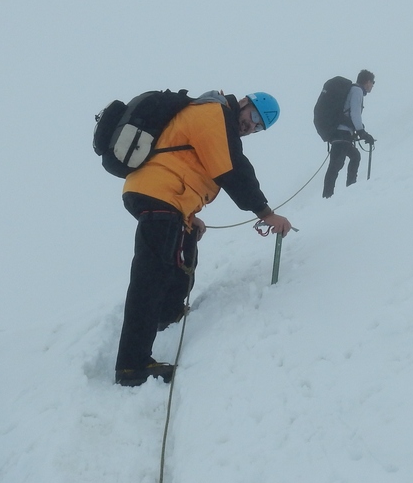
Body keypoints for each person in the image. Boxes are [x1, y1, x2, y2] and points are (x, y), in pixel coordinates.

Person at [115, 90, 292, 386]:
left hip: (165, 195)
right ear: (244, 103)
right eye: (253, 116)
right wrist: (266, 213)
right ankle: (132, 366)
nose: (251, 126)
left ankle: (168, 312)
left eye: (259, 127)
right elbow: (233, 169)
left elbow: (187, 163)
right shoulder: (214, 113)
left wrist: (189, 216)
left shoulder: (217, 120)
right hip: (160, 193)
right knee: (150, 278)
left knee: (184, 249)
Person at [322, 70, 375, 198]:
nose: (373, 85)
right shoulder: (357, 91)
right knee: (336, 164)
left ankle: (349, 189)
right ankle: (328, 197)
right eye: (372, 82)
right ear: (367, 82)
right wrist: (362, 132)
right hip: (342, 133)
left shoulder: (353, 90)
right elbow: (355, 113)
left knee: (354, 156)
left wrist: (358, 131)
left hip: (340, 132)